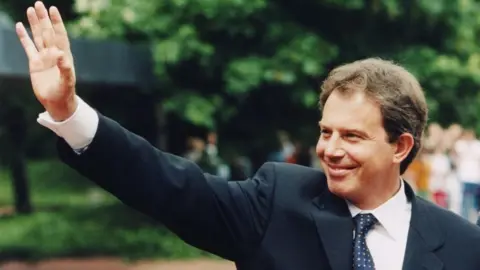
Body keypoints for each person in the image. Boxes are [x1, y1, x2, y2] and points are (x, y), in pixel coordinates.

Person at [15, 2, 480, 269]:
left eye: (352, 137)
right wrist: (68, 111)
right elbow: (167, 185)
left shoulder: (462, 245)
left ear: (401, 146)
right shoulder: (276, 201)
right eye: (325, 131)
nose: (330, 150)